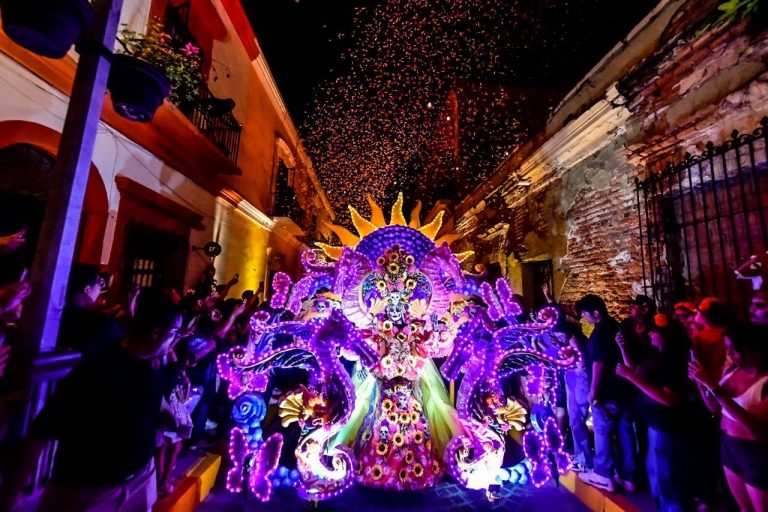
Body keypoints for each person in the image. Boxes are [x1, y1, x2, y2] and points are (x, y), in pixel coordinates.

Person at [0, 289, 182, 512]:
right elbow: (39, 434)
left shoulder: (153, 364)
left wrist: (161, 419)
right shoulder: (99, 372)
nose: (176, 340)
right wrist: (9, 498)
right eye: (174, 333)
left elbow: (144, 401)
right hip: (92, 491)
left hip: (141, 478)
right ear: (155, 333)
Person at [616, 319, 696, 511]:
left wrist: (630, 377)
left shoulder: (674, 361)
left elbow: (669, 399)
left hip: (667, 424)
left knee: (667, 475)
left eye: (654, 332)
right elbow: (635, 372)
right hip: (652, 422)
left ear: (666, 336)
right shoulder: (654, 355)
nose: (650, 334)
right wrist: (623, 349)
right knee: (655, 471)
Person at [689, 322, 768, 512]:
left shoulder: (764, 381)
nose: (729, 353)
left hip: (754, 452)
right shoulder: (732, 370)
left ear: (754, 350)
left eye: (734, 348)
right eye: (727, 347)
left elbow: (754, 427)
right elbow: (715, 408)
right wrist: (700, 382)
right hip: (728, 445)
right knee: (743, 508)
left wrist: (713, 387)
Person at [574, 294, 636, 493]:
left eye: (585, 314)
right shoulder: (616, 326)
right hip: (623, 389)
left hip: (606, 390)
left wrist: (593, 390)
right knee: (625, 433)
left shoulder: (600, 332)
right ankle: (628, 477)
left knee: (603, 431)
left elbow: (598, 363)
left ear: (595, 313)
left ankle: (603, 474)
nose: (584, 318)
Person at [57, 264, 124, 359]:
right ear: (87, 289)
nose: (100, 289)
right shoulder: (101, 323)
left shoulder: (55, 316)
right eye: (99, 283)